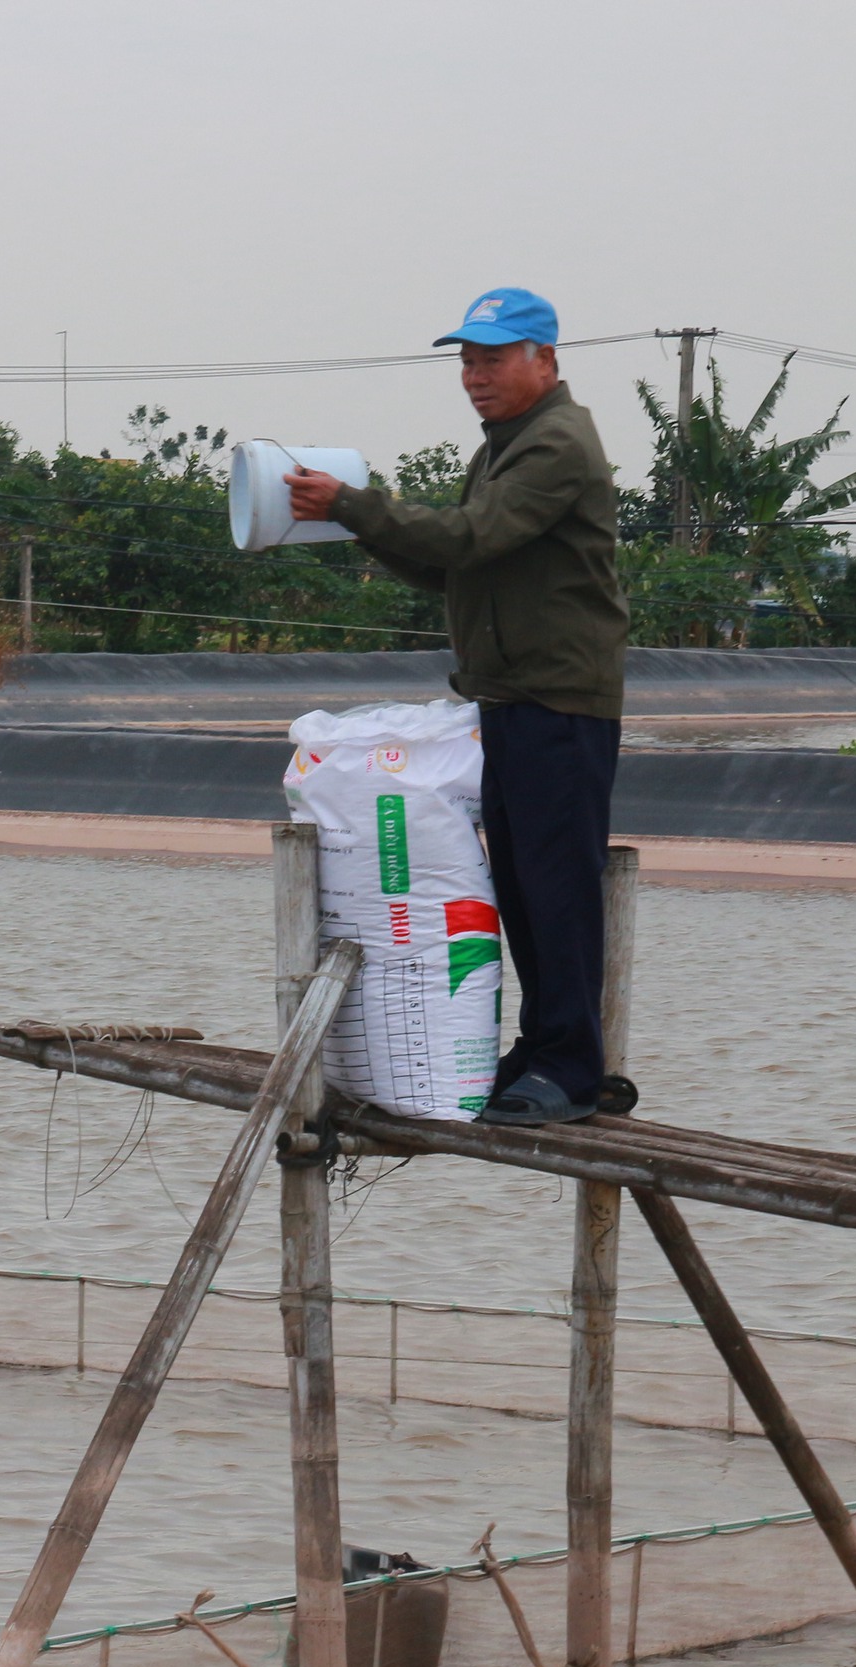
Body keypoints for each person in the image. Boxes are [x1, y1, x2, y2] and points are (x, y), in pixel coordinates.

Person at [283, 288, 626, 1126]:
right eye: (468, 360)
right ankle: (545, 1049)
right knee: (520, 884)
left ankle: (573, 1066)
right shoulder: (505, 447)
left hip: (558, 700)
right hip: (511, 700)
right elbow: (457, 566)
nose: (476, 375)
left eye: (494, 358)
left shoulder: (555, 444)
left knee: (557, 887)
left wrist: (353, 507)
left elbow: (468, 539)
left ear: (545, 360)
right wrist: (362, 526)